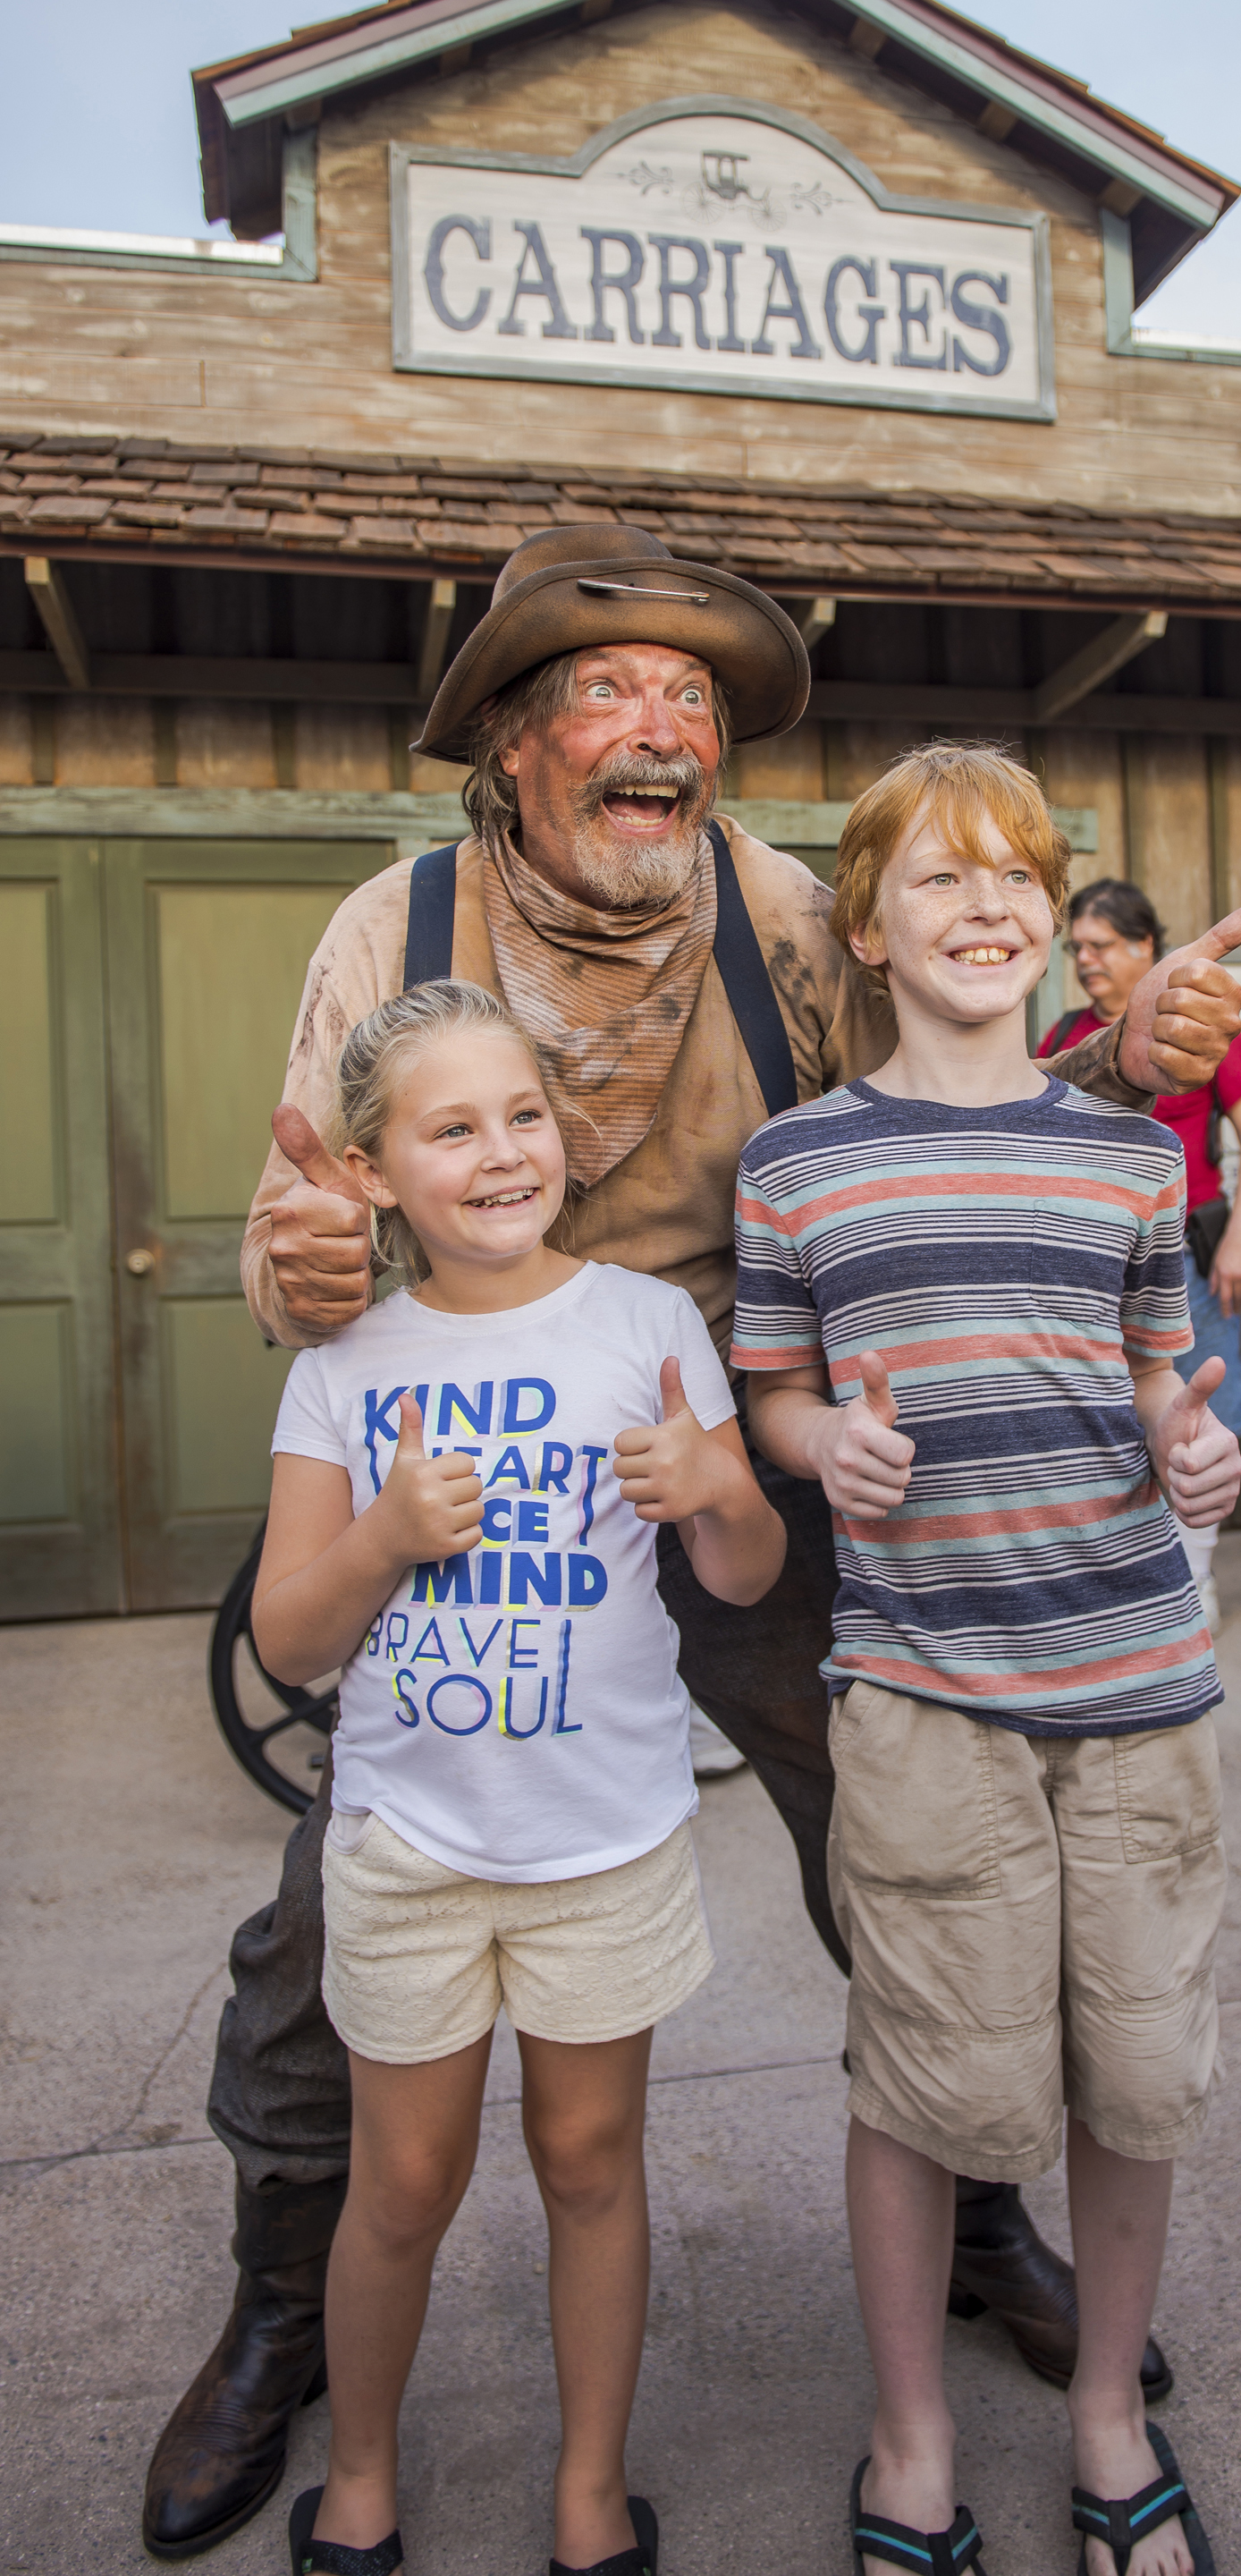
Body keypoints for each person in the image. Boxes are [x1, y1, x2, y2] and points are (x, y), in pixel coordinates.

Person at [142, 520, 1241, 2562]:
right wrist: (298, 1264)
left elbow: (952, 1085)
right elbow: (299, 1215)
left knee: (911, 1829)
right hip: (484, 1459)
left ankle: (978, 2207)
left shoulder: (772, 907)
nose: (667, 732)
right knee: (336, 1906)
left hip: (736, 1434)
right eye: (609, 694)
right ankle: (282, 2301)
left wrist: (1117, 1058)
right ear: (506, 742)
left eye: (697, 703)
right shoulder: (392, 923)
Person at [736, 750, 1241, 2576]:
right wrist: (819, 1449)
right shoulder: (797, 1159)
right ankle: (911, 2435)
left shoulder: (1129, 1148)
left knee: (1138, 2064)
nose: (987, 907)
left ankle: (1109, 2409)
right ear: (864, 927)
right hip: (926, 1683)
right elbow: (778, 1385)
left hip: (1139, 1680)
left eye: (1018, 874)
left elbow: (1155, 1375)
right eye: (938, 879)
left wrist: (1196, 1449)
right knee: (926, 2074)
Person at [256, 979, 783, 2575]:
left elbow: (746, 1575)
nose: (502, 1153)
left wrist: (718, 1491)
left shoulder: (645, 1326)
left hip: (605, 1837)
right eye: (452, 1126)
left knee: (589, 2160)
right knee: (403, 2181)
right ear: (371, 1172)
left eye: (525, 1115)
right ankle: (360, 2472)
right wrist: (387, 1534)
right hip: (411, 1844)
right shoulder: (345, 1362)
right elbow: (289, 1637)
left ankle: (586, 2486)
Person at [1041, 878, 1241, 1633]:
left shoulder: (1194, 1022)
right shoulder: (1061, 1036)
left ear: (1146, 947)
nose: (1086, 960)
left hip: (1187, 1249)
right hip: (1089, 1257)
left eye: (1102, 945)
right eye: (1076, 947)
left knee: (1201, 1393)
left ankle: (1195, 1577)